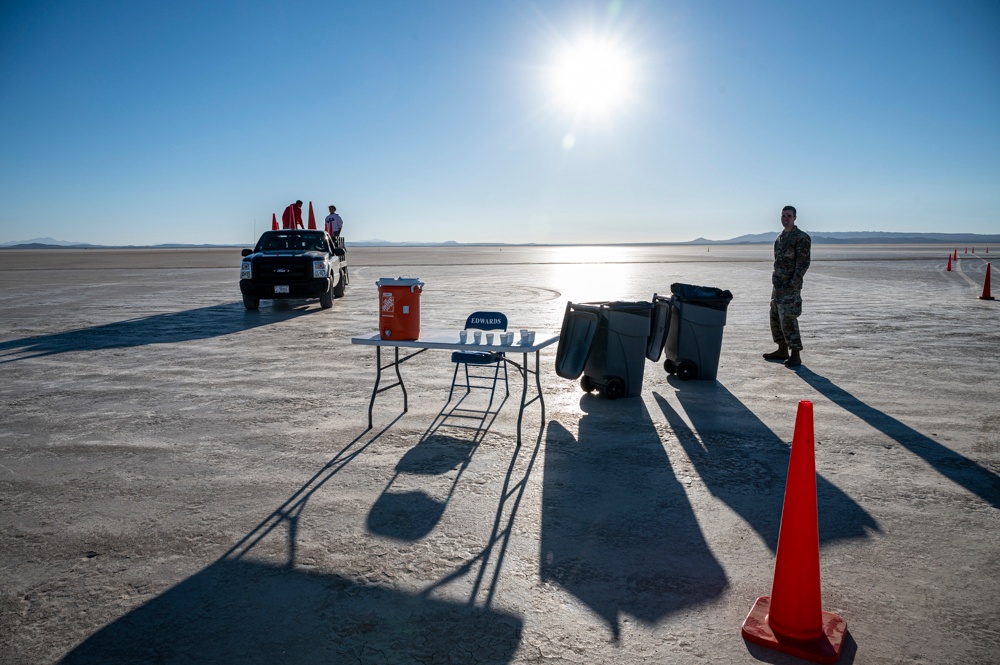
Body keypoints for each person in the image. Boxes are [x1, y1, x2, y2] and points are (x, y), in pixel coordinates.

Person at [763, 205, 811, 367]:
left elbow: (803, 264)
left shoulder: (801, 238)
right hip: (777, 286)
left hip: (790, 288)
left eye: (789, 216)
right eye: (783, 216)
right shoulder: (780, 238)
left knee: (789, 319)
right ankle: (782, 348)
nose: (785, 219)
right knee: (775, 317)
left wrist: (793, 284)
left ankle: (795, 354)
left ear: (795, 218)